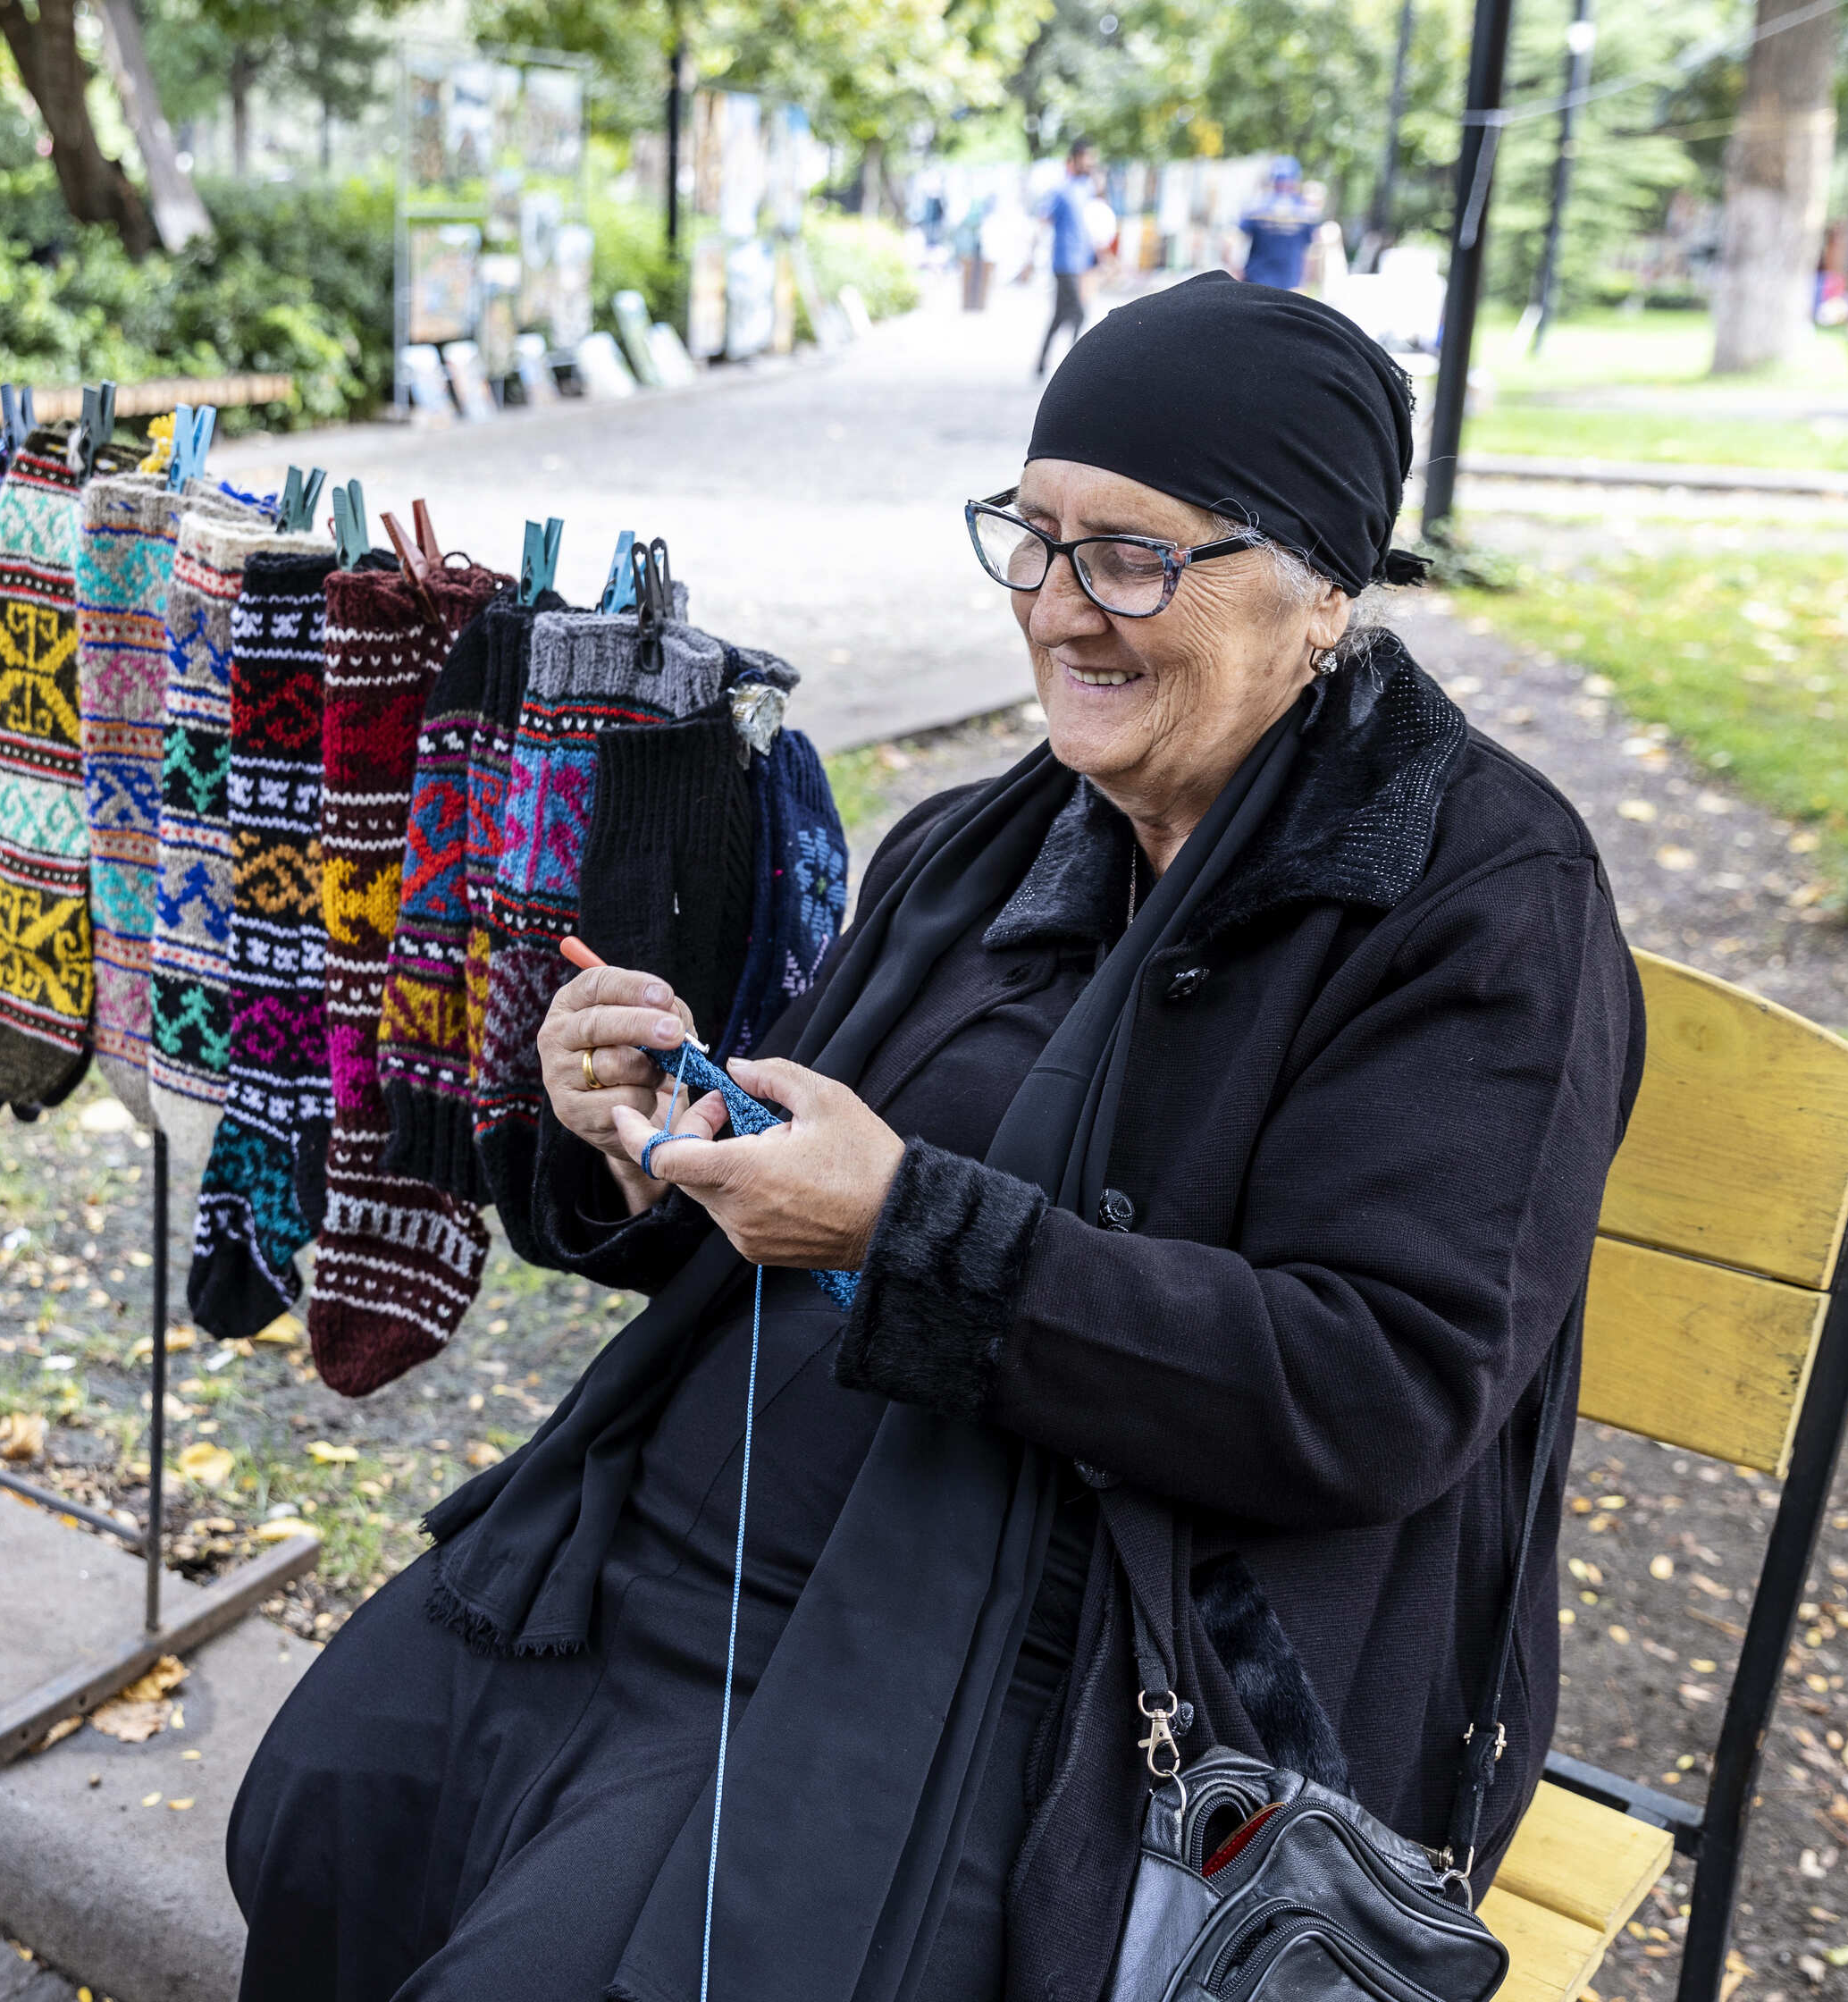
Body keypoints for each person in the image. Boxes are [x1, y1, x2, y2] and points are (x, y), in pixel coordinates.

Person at [229, 273, 1644, 2002]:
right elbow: (807, 1169)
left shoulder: (1479, 898)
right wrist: (653, 1137)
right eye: (1032, 538)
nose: (1057, 608)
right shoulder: (987, 844)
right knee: (327, 1812)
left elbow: (1379, 1390)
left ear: (1323, 594)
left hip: (1061, 1669)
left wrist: (909, 1234)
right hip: (686, 1538)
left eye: (1131, 557)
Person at [1029, 140, 1103, 374]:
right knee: (1079, 313)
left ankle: (1041, 362)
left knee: (1060, 315)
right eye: (1087, 158)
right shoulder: (1060, 191)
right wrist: (1031, 257)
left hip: (1082, 262)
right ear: (1074, 160)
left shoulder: (1086, 189)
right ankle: (1073, 368)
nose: (1090, 163)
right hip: (1064, 262)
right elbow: (1043, 221)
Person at [1236, 156, 1321, 290]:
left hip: (1256, 281)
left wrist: (1235, 269)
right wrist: (1307, 282)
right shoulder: (1306, 212)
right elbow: (1312, 251)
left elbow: (1235, 239)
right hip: (1291, 284)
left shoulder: (1256, 208)